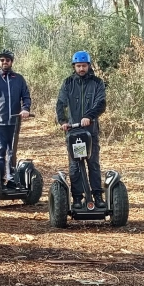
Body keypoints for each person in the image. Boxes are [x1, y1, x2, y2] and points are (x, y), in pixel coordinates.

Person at [56, 51, 107, 208]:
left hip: (90, 130)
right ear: (74, 67)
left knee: (93, 163)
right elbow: (61, 104)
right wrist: (63, 121)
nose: (81, 69)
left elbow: (101, 103)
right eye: (78, 66)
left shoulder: (97, 83)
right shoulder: (68, 83)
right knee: (76, 165)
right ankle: (77, 197)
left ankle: (97, 196)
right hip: (74, 131)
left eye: (84, 66)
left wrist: (89, 116)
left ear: (89, 65)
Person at [0, 49, 32, 187]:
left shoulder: (19, 79)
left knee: (12, 151)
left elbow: (26, 96)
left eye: (7, 60)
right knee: (0, 152)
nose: (5, 62)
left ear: (11, 62)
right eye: (2, 60)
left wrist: (25, 109)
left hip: (15, 121)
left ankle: (10, 179)